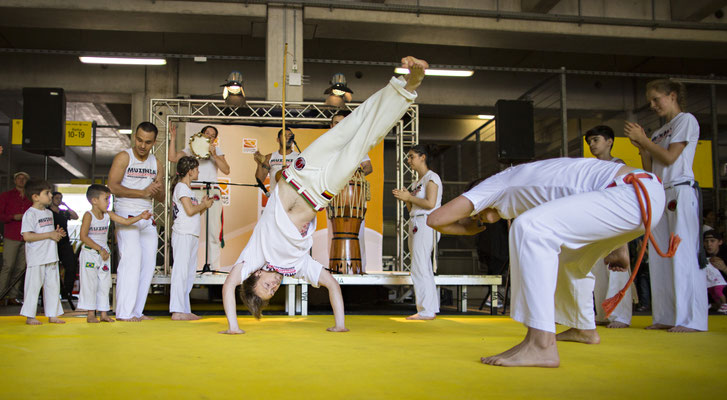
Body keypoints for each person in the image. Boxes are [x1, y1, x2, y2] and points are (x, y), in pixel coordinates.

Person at [219, 56, 427, 335]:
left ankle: (401, 82)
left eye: (266, 287)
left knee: (351, 125)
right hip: (320, 191)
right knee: (364, 141)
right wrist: (339, 325)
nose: (274, 286)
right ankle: (410, 88)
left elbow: (228, 285)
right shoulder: (298, 266)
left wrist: (234, 326)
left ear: (254, 277)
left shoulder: (253, 258)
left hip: (301, 174)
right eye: (274, 292)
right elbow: (332, 285)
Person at [427, 157, 666, 367]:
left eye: (477, 213)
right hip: (639, 196)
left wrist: (472, 226)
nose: (482, 220)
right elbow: (591, 194)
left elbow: (436, 219)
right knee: (567, 259)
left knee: (530, 228)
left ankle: (540, 344)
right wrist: (618, 245)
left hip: (631, 193)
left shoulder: (494, 184)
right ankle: (584, 328)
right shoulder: (528, 187)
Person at [624, 78, 708, 333]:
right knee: (661, 258)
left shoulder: (686, 120)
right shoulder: (660, 132)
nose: (652, 105)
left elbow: (671, 158)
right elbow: (653, 170)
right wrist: (642, 148)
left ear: (672, 96)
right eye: (650, 100)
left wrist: (644, 140)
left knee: (682, 255)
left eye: (656, 99)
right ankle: (666, 315)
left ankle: (690, 319)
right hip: (661, 192)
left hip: (681, 190)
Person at [108, 121, 164, 322]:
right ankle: (123, 313)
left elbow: (161, 197)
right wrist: (142, 192)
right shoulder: (124, 157)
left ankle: (136, 311)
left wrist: (157, 192)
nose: (142, 145)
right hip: (126, 215)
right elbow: (112, 187)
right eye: (139, 140)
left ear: (154, 142)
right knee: (131, 262)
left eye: (147, 142)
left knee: (147, 265)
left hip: (147, 217)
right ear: (134, 137)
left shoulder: (156, 163)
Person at [78, 184, 151, 323]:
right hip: (91, 252)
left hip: (103, 253)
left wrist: (141, 216)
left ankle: (104, 313)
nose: (108, 202)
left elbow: (125, 221)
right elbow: (83, 236)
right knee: (90, 284)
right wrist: (99, 249)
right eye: (106, 199)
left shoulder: (108, 215)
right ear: (94, 200)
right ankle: (91, 314)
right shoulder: (89, 215)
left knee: (105, 283)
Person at [585, 125, 633, 328]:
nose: (592, 145)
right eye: (589, 142)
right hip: (596, 221)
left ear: (609, 141)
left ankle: (620, 315)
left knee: (617, 269)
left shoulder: (618, 165)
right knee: (598, 270)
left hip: (616, 221)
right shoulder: (591, 168)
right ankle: (603, 314)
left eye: (596, 140)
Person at [168, 125, 230, 271]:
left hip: (211, 190)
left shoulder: (217, 150)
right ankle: (187, 266)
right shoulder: (190, 149)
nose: (209, 136)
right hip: (193, 190)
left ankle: (213, 267)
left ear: (215, 139)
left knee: (213, 230)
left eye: (212, 135)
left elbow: (226, 170)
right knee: (188, 227)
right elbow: (172, 158)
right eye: (207, 133)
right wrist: (173, 138)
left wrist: (214, 155)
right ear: (200, 134)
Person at [392, 144, 442, 320]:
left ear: (423, 157)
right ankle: (429, 308)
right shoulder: (416, 182)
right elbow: (412, 206)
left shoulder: (431, 178)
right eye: (408, 157)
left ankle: (426, 309)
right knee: (422, 266)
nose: (409, 160)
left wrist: (409, 197)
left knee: (419, 266)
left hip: (426, 222)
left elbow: (431, 203)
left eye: (412, 156)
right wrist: (406, 198)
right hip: (415, 222)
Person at [327, 110, 374, 269]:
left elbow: (368, 167)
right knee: (333, 234)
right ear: (331, 125)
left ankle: (360, 269)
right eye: (336, 123)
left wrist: (354, 170)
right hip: (334, 196)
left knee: (357, 234)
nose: (339, 126)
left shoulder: (357, 144)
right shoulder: (326, 145)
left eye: (343, 123)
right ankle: (334, 268)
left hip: (353, 194)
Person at [169, 157, 214, 320]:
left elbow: (193, 211)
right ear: (190, 171)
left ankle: (184, 309)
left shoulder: (188, 189)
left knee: (188, 273)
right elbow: (189, 210)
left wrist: (203, 205)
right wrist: (203, 206)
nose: (198, 172)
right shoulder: (181, 187)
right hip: (183, 233)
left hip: (191, 233)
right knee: (181, 271)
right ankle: (177, 310)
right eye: (196, 169)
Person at [19, 179, 66, 325]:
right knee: (33, 286)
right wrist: (49, 235)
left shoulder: (49, 213)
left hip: (50, 254)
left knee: (53, 286)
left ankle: (53, 314)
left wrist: (56, 234)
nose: (51, 195)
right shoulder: (30, 214)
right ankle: (30, 316)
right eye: (47, 193)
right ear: (35, 196)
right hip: (36, 257)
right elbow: (27, 236)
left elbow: (47, 233)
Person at [0, 171, 32, 304]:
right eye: (19, 178)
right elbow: (1, 215)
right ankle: (1, 294)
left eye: (24, 178)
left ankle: (12, 296)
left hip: (27, 237)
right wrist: (13, 217)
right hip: (11, 235)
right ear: (14, 180)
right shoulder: (6, 196)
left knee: (21, 268)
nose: (21, 180)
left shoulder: (31, 197)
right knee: (8, 266)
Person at [49, 192, 79, 306]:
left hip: (65, 243)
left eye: (60, 198)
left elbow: (76, 216)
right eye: (56, 198)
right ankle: (51, 293)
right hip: (52, 242)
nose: (58, 200)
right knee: (52, 267)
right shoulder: (48, 212)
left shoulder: (64, 212)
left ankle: (67, 291)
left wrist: (66, 205)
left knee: (71, 265)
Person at [253, 128, 298, 194]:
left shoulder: (299, 157)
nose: (288, 137)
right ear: (278, 140)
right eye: (284, 135)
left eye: (290, 135)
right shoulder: (269, 157)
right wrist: (259, 164)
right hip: (275, 198)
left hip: (293, 199)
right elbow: (260, 180)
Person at [703, 230, 727, 314]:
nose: (709, 244)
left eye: (712, 241)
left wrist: (724, 268)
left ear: (720, 242)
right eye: (706, 241)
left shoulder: (725, 253)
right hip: (708, 291)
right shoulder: (700, 254)